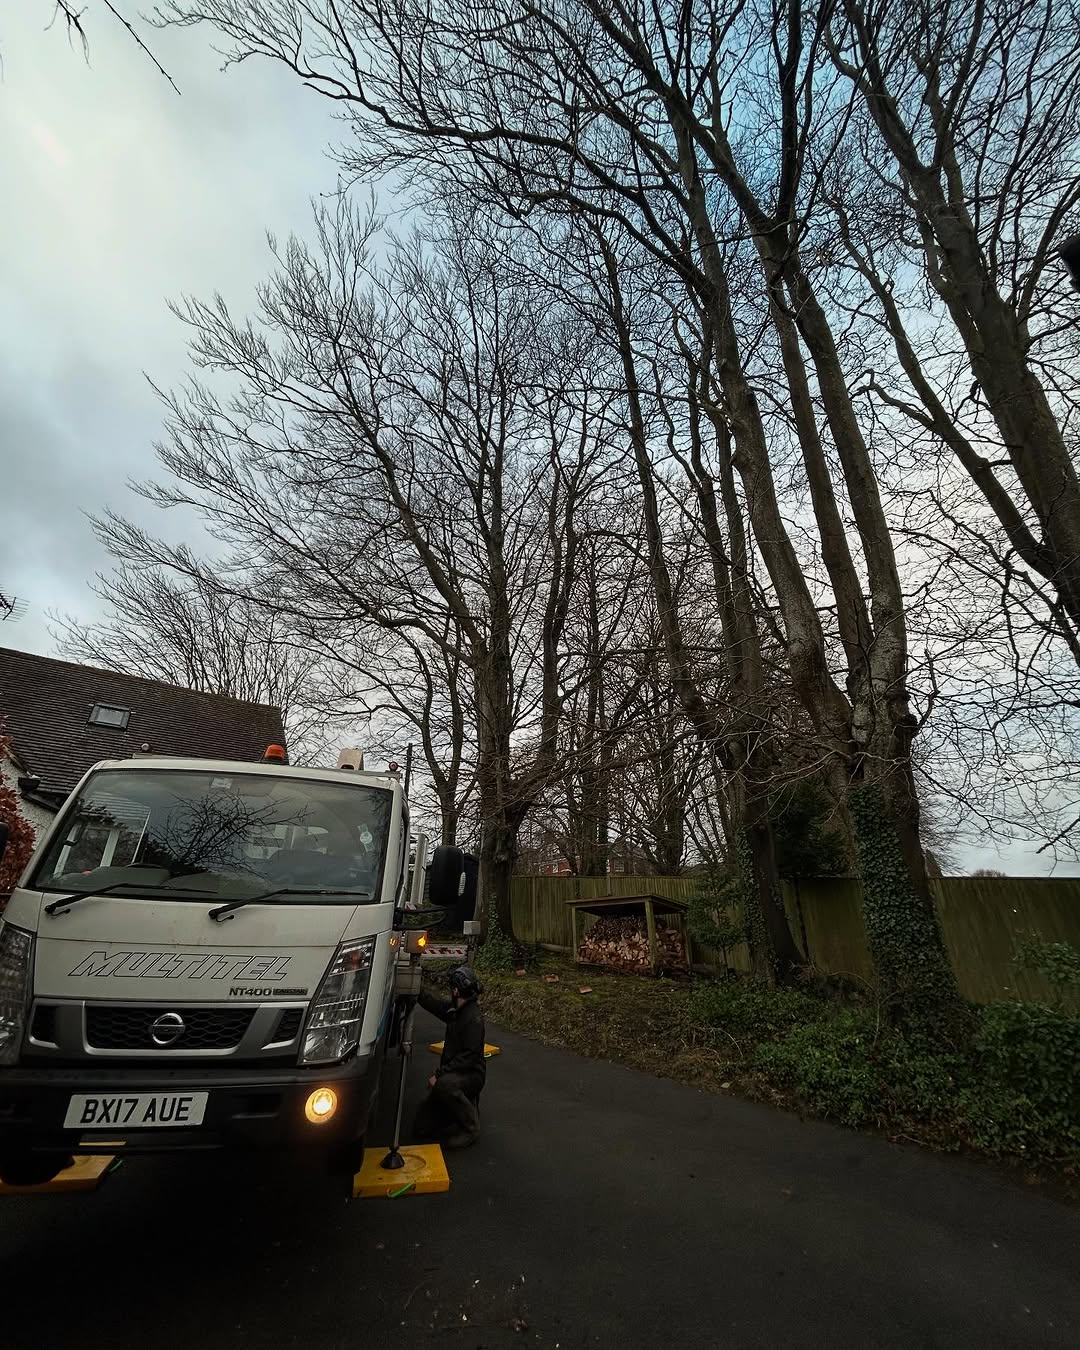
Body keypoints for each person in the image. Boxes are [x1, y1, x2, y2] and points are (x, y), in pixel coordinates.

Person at [414, 965, 486, 1149]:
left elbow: (468, 1058)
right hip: (454, 1072)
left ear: (455, 990)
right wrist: (415, 989)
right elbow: (435, 1005)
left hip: (471, 1075)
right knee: (421, 1127)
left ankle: (471, 1127)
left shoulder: (473, 1019)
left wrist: (439, 1075)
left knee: (444, 1086)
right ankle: (457, 1110)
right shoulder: (456, 1011)